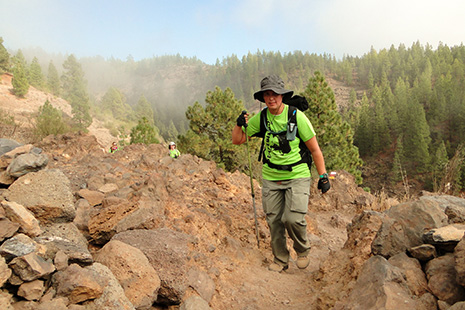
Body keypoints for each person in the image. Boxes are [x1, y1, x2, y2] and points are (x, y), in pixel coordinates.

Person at [232, 75, 331, 272]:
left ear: (282, 95)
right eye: (267, 94)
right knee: (274, 220)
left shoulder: (297, 116)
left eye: (275, 94)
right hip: (271, 176)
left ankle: (302, 250)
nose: (271, 98)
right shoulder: (261, 118)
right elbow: (238, 140)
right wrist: (238, 124)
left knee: (292, 218)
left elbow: (315, 150)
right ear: (263, 97)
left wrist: (323, 176)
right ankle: (280, 260)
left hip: (298, 174)